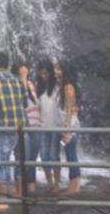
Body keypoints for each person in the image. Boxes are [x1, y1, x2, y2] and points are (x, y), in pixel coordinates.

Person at [0, 51, 26, 197]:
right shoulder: (17, 80)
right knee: (19, 159)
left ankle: (4, 196)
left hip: (5, 126)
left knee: (4, 160)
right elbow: (23, 100)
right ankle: (20, 192)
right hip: (20, 126)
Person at [12, 58, 42, 194]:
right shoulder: (14, 84)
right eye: (22, 70)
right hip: (22, 125)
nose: (25, 71)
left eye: (25, 69)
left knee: (32, 158)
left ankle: (31, 182)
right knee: (23, 156)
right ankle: (19, 186)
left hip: (36, 124)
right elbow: (21, 100)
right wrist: (23, 79)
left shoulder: (30, 84)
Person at [55, 61, 81, 195]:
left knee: (71, 157)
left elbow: (69, 111)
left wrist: (67, 131)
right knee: (70, 156)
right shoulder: (62, 86)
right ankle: (75, 185)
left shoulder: (68, 87)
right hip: (64, 127)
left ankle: (74, 187)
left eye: (58, 68)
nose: (55, 70)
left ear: (64, 71)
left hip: (70, 128)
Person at [37, 58, 61, 193]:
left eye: (46, 73)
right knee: (44, 155)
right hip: (43, 126)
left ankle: (57, 183)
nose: (43, 76)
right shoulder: (39, 87)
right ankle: (50, 183)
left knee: (54, 155)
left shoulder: (58, 86)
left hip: (56, 127)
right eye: (41, 73)